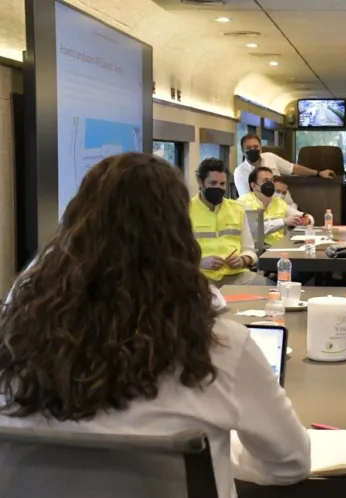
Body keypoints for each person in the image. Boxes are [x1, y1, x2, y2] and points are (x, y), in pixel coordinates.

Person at [0, 153, 310, 498]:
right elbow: (291, 463)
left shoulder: (16, 335)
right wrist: (217, 452)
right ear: (178, 232)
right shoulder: (219, 346)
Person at [191, 158, 265, 286]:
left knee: (272, 290)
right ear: (200, 182)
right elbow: (173, 256)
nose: (218, 188)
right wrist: (200, 262)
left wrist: (243, 259)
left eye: (222, 184)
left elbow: (250, 250)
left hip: (237, 276)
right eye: (213, 183)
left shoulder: (237, 209)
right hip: (200, 278)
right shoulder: (185, 209)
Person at [234, 133, 336, 200]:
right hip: (263, 212)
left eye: (255, 147)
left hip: (286, 205)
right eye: (248, 148)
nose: (253, 150)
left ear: (260, 149)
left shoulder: (270, 157)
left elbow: (293, 168)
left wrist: (318, 173)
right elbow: (247, 200)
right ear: (243, 151)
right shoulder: (240, 172)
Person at [238, 166, 314, 246]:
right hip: (256, 250)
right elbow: (254, 230)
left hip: (279, 248)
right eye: (265, 181)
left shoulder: (279, 202)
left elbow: (308, 218)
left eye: (271, 181)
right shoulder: (243, 202)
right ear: (253, 185)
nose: (270, 184)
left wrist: (306, 219)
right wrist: (283, 222)